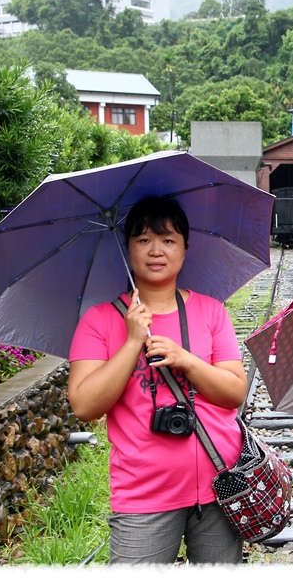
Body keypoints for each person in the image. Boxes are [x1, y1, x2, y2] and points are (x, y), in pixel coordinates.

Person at [67, 196, 248, 564]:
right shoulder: (99, 320)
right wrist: (133, 340)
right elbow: (84, 405)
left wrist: (186, 361)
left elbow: (234, 392)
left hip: (219, 484)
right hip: (143, 495)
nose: (156, 251)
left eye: (168, 240)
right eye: (143, 239)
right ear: (128, 248)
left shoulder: (210, 311)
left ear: (185, 249)